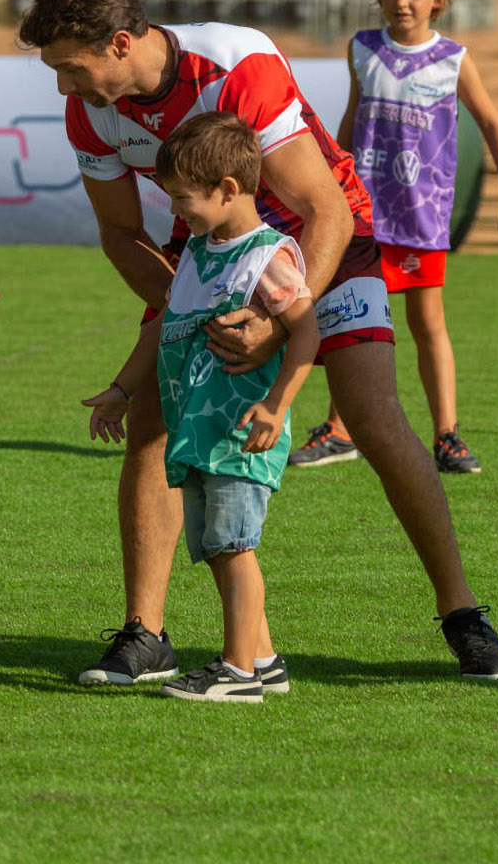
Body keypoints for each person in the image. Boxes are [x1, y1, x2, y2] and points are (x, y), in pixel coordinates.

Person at [19, 0, 498, 685]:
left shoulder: (235, 63)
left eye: (71, 67)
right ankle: (144, 634)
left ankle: (462, 613)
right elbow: (122, 234)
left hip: (328, 247)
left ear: (120, 43)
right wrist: (191, 312)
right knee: (154, 419)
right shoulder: (87, 110)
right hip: (213, 253)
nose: (64, 86)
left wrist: (278, 323)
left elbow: (326, 210)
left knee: (373, 420)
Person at [84, 113, 318, 702]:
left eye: (184, 199)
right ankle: (263, 659)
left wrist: (275, 405)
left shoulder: (266, 257)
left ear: (228, 190)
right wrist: (122, 388)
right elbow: (163, 324)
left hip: (240, 432)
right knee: (218, 547)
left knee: (232, 546)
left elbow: (307, 333)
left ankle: (237, 672)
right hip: (200, 432)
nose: (176, 211)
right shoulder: (194, 252)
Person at [288, 0, 498, 474]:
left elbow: (492, 122)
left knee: (427, 323)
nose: (402, 1)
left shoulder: (453, 60)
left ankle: (447, 435)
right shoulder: (363, 49)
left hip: (422, 216)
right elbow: (353, 119)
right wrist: (330, 182)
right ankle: (340, 429)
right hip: (362, 211)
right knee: (349, 316)